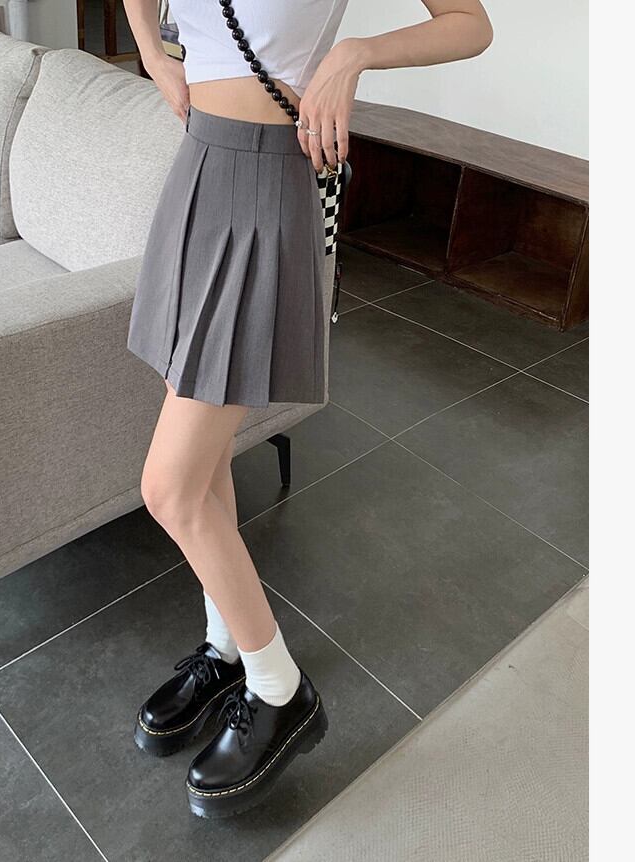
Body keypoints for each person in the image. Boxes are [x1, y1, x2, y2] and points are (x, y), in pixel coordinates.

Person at [123, 0, 493, 819]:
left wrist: (355, 53)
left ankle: (279, 689)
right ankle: (225, 647)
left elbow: (471, 23)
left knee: (170, 488)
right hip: (198, 165)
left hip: (266, 182)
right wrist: (151, 50)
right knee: (201, 466)